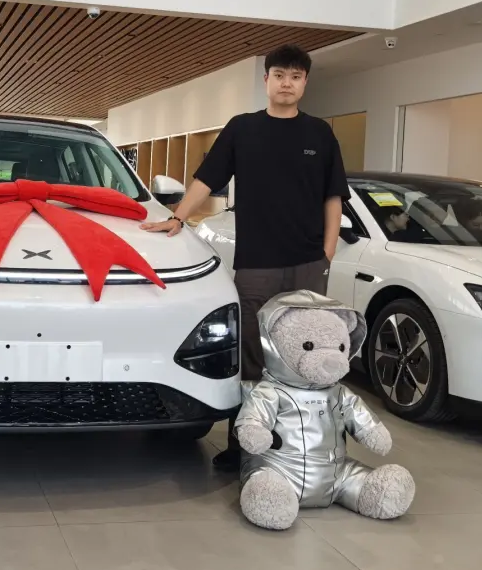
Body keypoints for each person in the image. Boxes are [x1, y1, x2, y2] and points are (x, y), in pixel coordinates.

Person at [141, 44, 349, 472]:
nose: (287, 83)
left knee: (306, 351)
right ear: (267, 80)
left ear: (305, 83)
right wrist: (177, 217)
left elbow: (334, 197)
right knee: (252, 355)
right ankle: (245, 445)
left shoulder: (320, 134)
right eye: (279, 75)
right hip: (257, 263)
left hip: (309, 263)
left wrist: (327, 254)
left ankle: (302, 446)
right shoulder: (243, 128)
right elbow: (207, 179)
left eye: (295, 76)